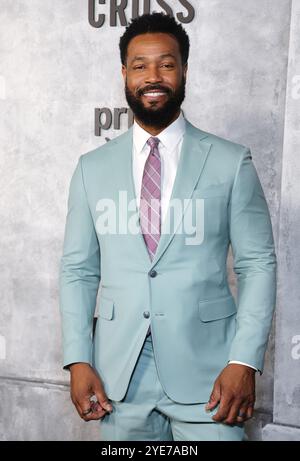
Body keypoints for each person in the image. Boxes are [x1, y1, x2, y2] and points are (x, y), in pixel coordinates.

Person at [59, 12, 277, 441]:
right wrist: (77, 359)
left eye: (166, 63)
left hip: (212, 377)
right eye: (140, 65)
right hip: (118, 380)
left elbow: (258, 264)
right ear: (124, 73)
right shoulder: (91, 169)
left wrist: (244, 361)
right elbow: (78, 270)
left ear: (184, 70)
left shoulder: (231, 162)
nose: (152, 76)